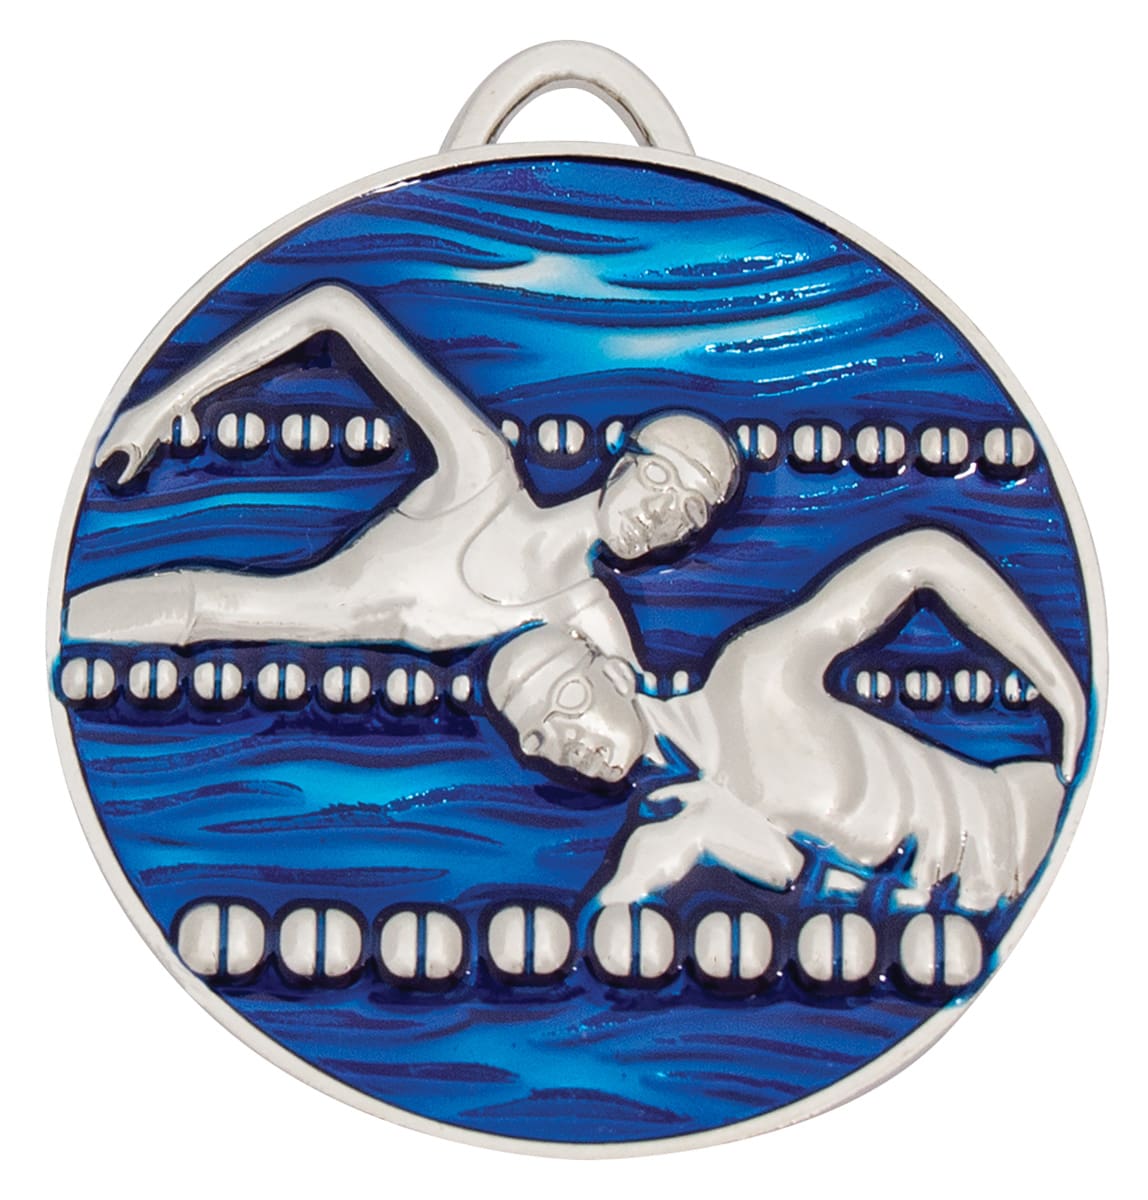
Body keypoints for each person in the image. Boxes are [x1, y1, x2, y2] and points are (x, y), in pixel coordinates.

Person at [68, 284, 740, 662]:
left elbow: (657, 736)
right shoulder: (480, 473)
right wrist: (160, 406)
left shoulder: (583, 610)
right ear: (623, 464)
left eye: (690, 512)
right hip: (180, 608)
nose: (665, 515)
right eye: (662, 480)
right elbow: (333, 307)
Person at [486, 528, 1088, 912]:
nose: (564, 740)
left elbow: (922, 556)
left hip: (1037, 833)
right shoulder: (673, 831)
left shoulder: (754, 678)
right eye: (538, 736)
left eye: (567, 701)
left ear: (617, 676)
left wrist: (1063, 690)